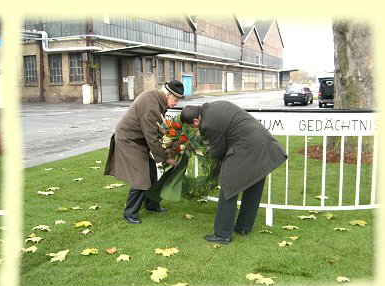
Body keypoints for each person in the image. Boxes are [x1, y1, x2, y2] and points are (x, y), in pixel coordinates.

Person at [180, 101, 287, 244]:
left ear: (195, 120)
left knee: (228, 185)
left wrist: (205, 155)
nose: (194, 129)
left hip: (247, 146)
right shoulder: (215, 105)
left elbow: (218, 151)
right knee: (253, 183)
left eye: (191, 126)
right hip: (262, 143)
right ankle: (243, 227)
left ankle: (222, 234)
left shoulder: (207, 123)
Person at [104, 80, 184, 224]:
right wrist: (167, 158)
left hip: (138, 140)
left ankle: (151, 204)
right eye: (175, 99)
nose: (176, 103)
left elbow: (156, 132)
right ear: (167, 94)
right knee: (141, 175)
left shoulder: (158, 100)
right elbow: (152, 138)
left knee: (152, 171)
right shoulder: (151, 106)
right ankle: (130, 213)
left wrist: (170, 146)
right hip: (128, 139)